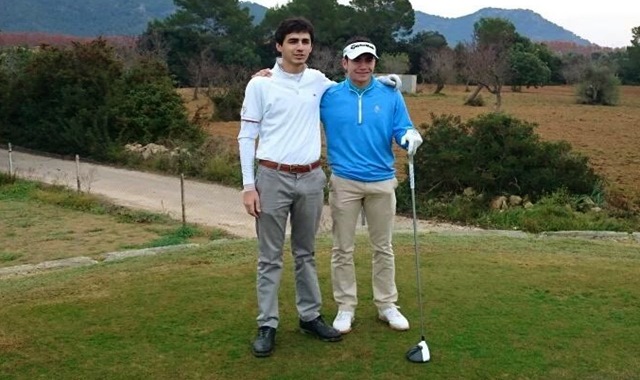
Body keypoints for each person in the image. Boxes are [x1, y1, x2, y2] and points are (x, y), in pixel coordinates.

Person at [238, 17, 342, 358]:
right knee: (269, 257)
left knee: (305, 253)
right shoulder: (260, 85)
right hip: (271, 177)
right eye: (293, 41)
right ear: (279, 45)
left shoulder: (318, 81)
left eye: (305, 41)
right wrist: (248, 186)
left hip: (312, 177)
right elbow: (247, 136)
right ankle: (267, 324)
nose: (300, 47)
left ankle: (309, 316)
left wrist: (387, 84)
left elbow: (348, 90)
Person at [319, 37, 423, 334]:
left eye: (369, 60)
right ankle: (346, 306)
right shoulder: (329, 96)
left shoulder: (390, 94)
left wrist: (410, 138)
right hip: (344, 181)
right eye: (357, 60)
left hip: (381, 180)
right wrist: (268, 74)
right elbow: (298, 91)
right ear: (344, 63)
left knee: (383, 247)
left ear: (374, 63)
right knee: (342, 248)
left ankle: (387, 305)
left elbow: (402, 127)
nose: (363, 65)